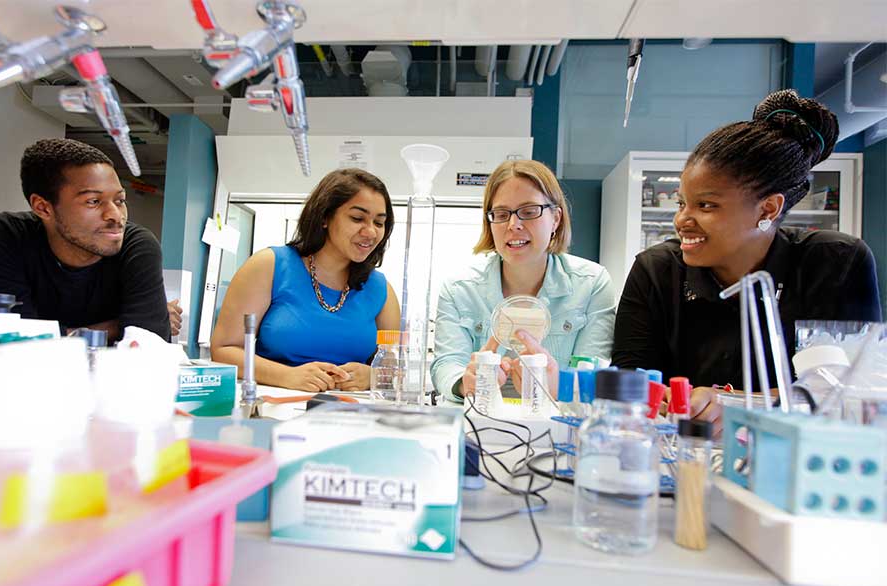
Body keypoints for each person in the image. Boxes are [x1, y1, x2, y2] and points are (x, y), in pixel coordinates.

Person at [611, 89, 882, 426]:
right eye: (682, 203)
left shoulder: (835, 263)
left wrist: (734, 404)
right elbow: (627, 383)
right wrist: (659, 398)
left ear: (768, 208)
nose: (682, 220)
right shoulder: (656, 270)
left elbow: (851, 396)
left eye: (706, 205)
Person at [431, 159, 616, 402]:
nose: (513, 225)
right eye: (501, 214)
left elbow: (594, 372)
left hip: (556, 426)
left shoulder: (591, 283)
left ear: (556, 219)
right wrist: (464, 382)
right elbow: (446, 364)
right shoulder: (458, 288)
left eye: (529, 212)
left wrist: (558, 385)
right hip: (476, 426)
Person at [211, 169, 401, 392]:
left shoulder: (381, 290)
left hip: (349, 415)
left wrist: (374, 376)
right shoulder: (269, 266)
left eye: (379, 223)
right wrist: (287, 376)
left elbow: (395, 368)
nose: (370, 232)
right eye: (357, 218)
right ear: (324, 218)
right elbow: (224, 350)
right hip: (274, 409)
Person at [0, 138, 179, 342]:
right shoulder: (7, 235)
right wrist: (118, 326)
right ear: (43, 208)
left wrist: (55, 335)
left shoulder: (137, 246)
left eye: (120, 200)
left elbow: (147, 347)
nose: (116, 215)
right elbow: (10, 341)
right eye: (93, 201)